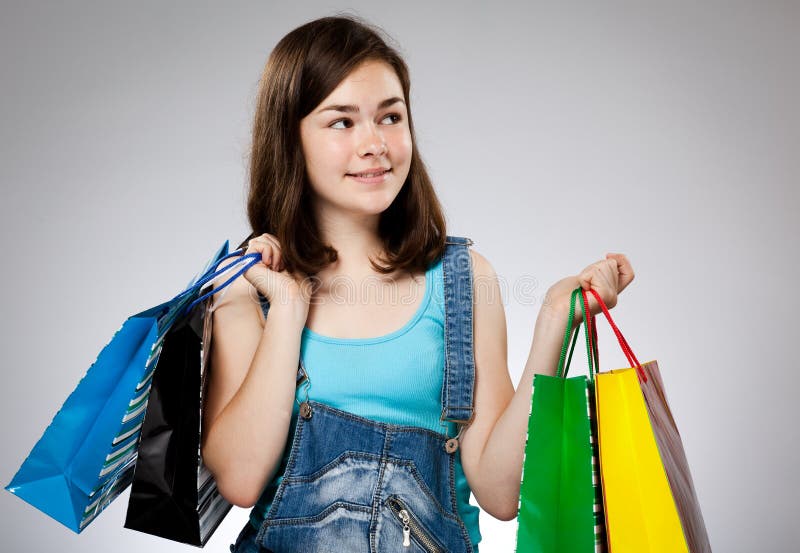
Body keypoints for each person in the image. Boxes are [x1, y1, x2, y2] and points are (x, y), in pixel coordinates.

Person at [200, 15, 635, 553]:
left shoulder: (463, 279)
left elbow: (500, 492)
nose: (375, 143)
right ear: (290, 138)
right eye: (342, 122)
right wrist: (288, 308)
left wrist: (553, 319)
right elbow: (240, 480)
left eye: (390, 117)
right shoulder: (248, 287)